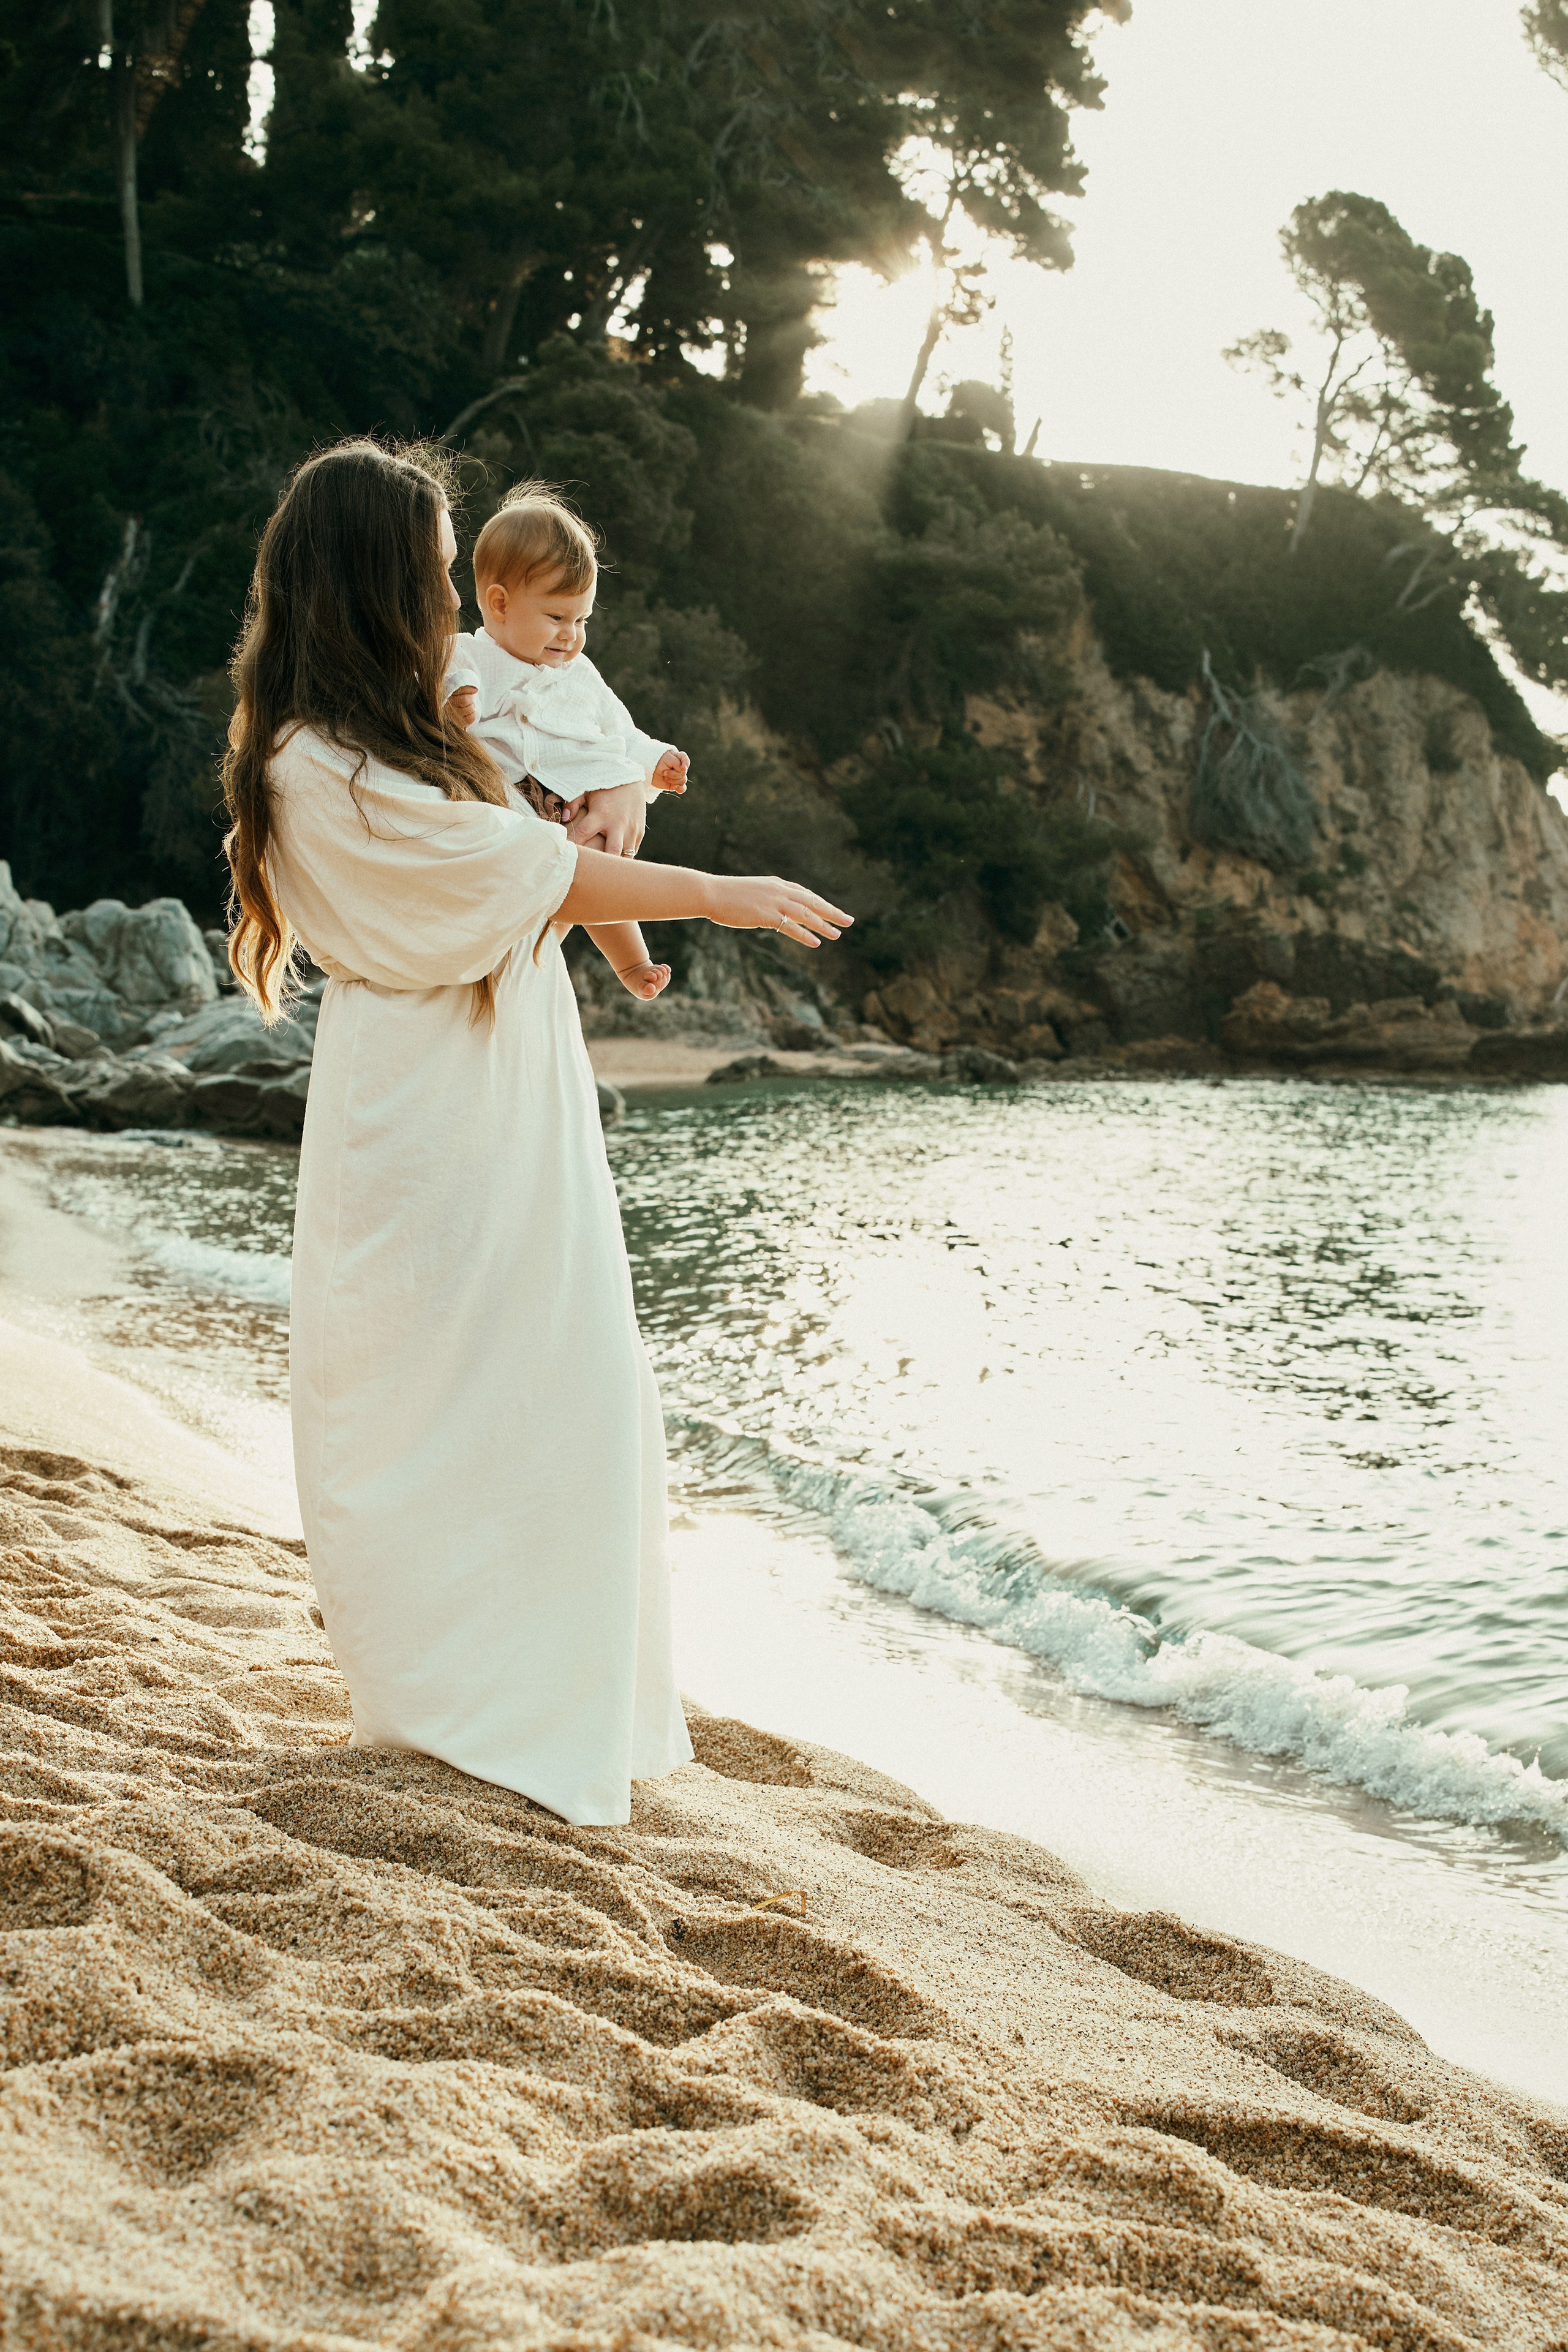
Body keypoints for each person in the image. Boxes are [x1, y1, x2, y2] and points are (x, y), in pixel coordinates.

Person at [221, 436, 851, 1826]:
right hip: (429, 1104)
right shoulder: (313, 764)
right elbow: (530, 870)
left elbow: (559, 807)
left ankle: (533, 1705)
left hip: (507, 1078)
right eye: (438, 578)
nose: (452, 606)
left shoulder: (407, 731)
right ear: (374, 583)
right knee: (440, 1402)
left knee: (565, 1392)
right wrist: (722, 892)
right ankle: (459, 1714)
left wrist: (623, 791)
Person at [443, 484, 688, 1008]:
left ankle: (631, 962)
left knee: (604, 862)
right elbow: (444, 675)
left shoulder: (580, 674)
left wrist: (654, 762)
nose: (572, 636)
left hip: (574, 803)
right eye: (557, 618)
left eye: (583, 621)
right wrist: (456, 698)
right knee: (561, 872)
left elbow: (620, 733)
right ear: (499, 603)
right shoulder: (470, 654)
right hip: (512, 808)